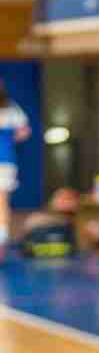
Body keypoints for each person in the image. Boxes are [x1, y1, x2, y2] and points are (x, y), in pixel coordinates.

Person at [0, 83, 31, 261]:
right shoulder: (12, 109)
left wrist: (7, 138)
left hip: (4, 161)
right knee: (2, 203)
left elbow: (24, 131)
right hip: (6, 160)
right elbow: (24, 131)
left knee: (2, 202)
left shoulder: (11, 108)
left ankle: (1, 242)